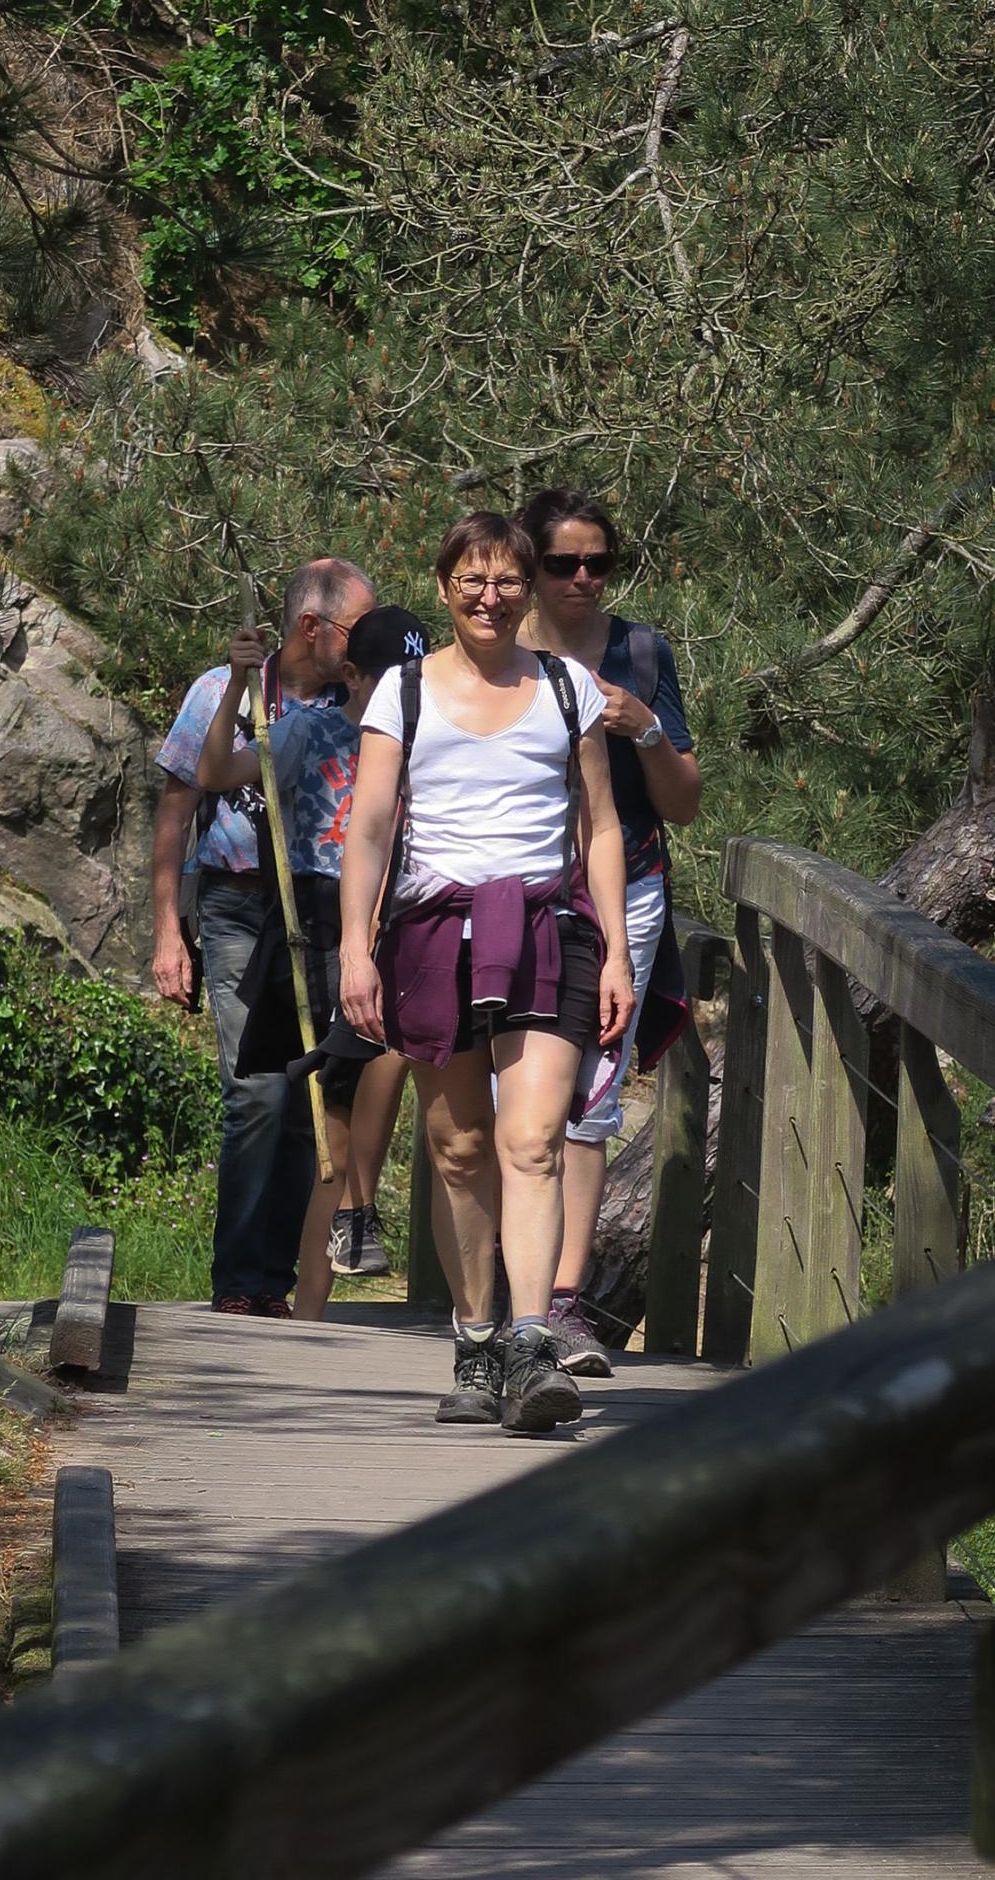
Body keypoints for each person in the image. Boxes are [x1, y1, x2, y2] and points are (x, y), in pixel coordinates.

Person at [339, 511, 634, 1433]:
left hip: (549, 927)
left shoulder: (566, 687)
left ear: (524, 590)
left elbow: (602, 824)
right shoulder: (402, 693)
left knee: (533, 1139)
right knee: (459, 1149)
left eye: (507, 580)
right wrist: (356, 944)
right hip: (434, 931)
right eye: (472, 579)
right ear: (443, 587)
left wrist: (619, 947)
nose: (490, 596)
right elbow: (373, 826)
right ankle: (475, 1341)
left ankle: (533, 1343)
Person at [151, 558, 376, 1315]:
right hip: (240, 908)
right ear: (312, 627)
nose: (365, 641)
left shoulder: (362, 702)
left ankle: (276, 1276)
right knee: (255, 1093)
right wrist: (165, 933)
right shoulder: (224, 691)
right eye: (356, 627)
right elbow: (179, 807)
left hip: (321, 915)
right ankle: (241, 1280)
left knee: (306, 1090)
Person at [196, 606, 429, 1320]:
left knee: (363, 1099)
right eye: (395, 680)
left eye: (418, 680)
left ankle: (344, 1244)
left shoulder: (431, 742)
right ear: (352, 676)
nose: (408, 695)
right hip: (312, 923)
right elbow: (212, 773)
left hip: (400, 919)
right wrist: (238, 685)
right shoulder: (310, 728)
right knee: (300, 1103)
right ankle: (280, 1294)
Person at [517, 487, 702, 1376]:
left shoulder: (639, 653)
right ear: (530, 565)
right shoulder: (493, 649)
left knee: (589, 1099)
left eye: (599, 563)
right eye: (563, 563)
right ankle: (495, 1309)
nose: (582, 579)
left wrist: (646, 730)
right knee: (504, 1106)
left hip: (622, 888)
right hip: (509, 891)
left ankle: (563, 1307)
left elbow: (685, 804)